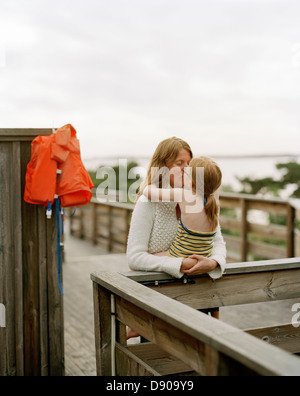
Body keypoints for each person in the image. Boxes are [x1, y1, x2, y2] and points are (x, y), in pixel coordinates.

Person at [126, 138, 226, 339]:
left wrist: (213, 262)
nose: (186, 169)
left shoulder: (203, 200)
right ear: (162, 168)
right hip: (159, 307)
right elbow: (134, 258)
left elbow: (217, 243)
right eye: (179, 164)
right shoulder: (149, 202)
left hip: (197, 302)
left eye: (189, 163)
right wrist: (181, 264)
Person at [142, 156, 223, 263]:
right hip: (205, 256)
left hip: (179, 255)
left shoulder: (184, 195)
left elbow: (148, 192)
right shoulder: (214, 200)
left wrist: (154, 182)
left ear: (191, 181)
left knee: (148, 258)